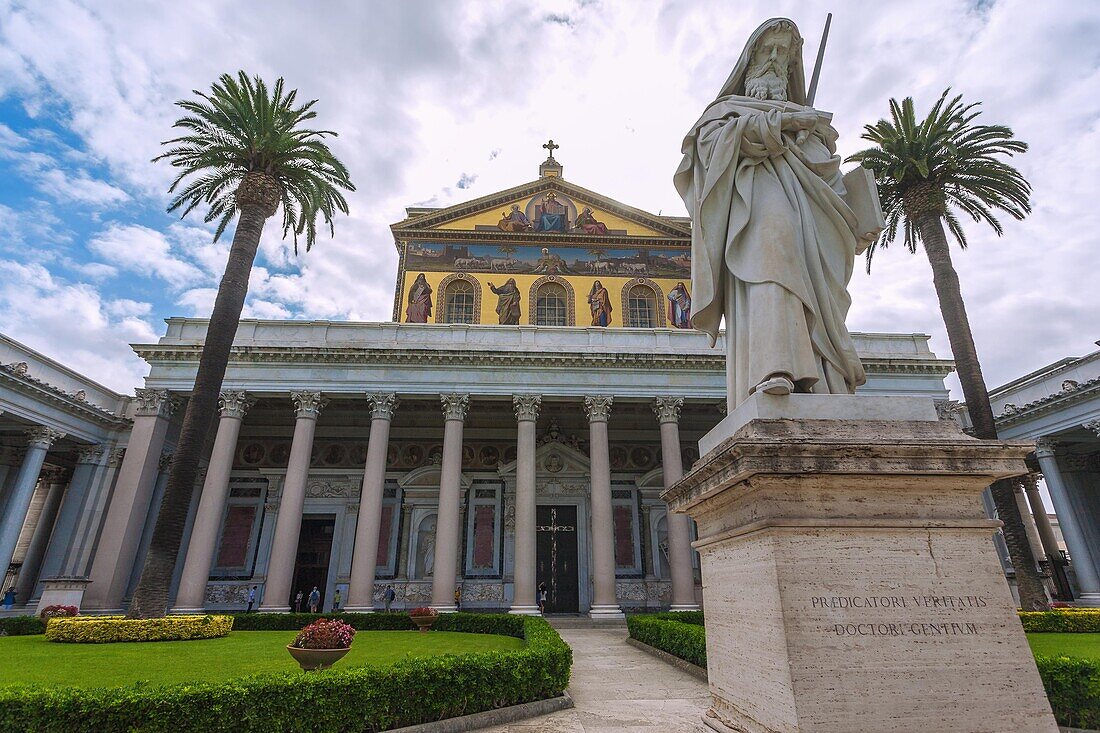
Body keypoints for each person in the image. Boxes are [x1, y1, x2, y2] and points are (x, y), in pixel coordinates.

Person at [674, 17, 871, 410]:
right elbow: (708, 151)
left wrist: (855, 215)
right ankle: (773, 365)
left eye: (785, 53)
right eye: (769, 50)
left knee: (813, 285)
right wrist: (781, 122)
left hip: (810, 215)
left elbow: (824, 173)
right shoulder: (726, 111)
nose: (776, 59)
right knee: (769, 259)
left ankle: (824, 374)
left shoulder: (812, 122)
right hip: (757, 202)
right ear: (750, 60)